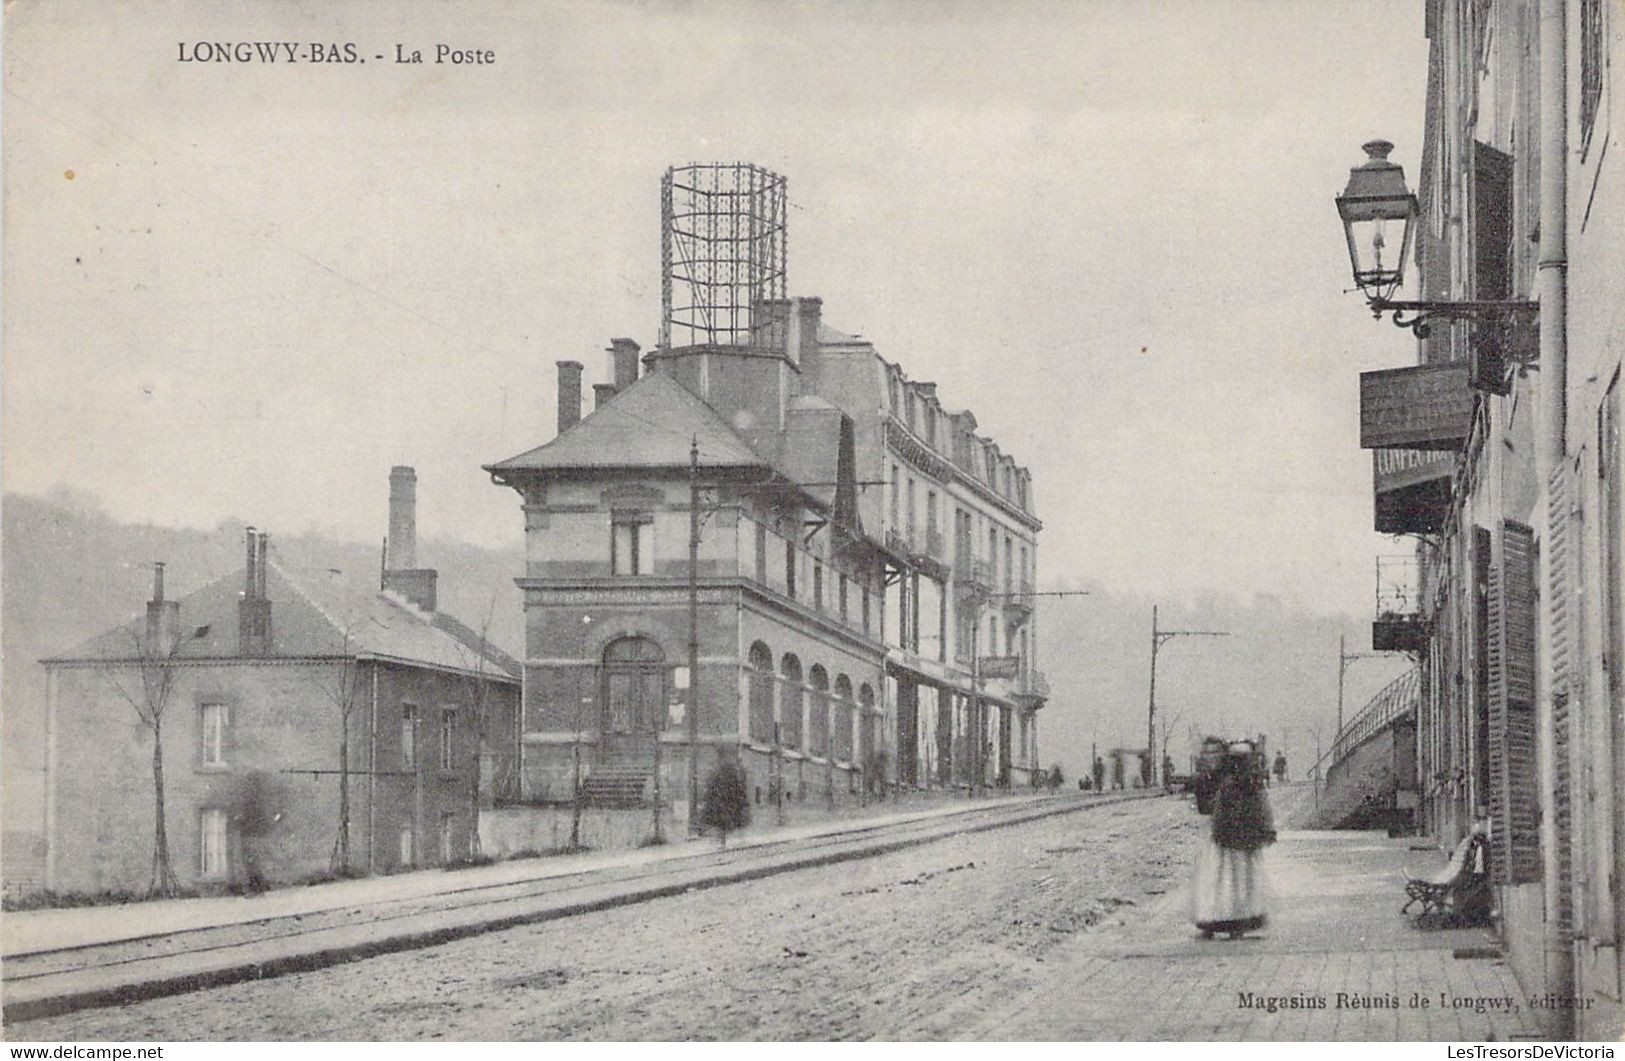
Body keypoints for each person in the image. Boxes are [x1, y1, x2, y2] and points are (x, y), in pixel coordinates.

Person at [1192, 744, 1276, 939]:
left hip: (1226, 841)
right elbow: (1263, 810)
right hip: (1245, 841)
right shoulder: (1253, 783)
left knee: (1221, 880)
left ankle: (1218, 921)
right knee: (1243, 881)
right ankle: (1238, 922)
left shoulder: (1228, 784)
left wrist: (1218, 830)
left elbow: (1218, 812)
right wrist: (1265, 831)